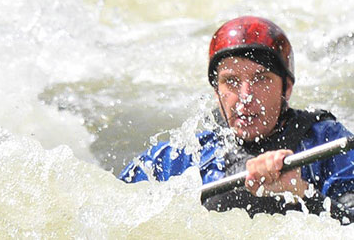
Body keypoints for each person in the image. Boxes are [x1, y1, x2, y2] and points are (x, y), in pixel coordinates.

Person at [119, 16, 354, 224]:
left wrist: (302, 192)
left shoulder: (327, 142)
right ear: (216, 92)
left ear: (287, 88)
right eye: (230, 81)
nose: (245, 97)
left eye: (261, 78)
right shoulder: (183, 158)